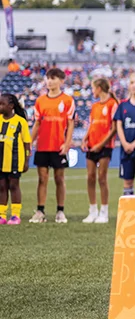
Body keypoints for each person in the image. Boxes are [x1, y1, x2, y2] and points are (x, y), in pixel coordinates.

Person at [30, 68, 75, 223]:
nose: (49, 81)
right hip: (42, 145)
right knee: (42, 179)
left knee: (59, 178)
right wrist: (29, 142)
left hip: (58, 146)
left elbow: (70, 124)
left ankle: (60, 211)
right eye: (48, 78)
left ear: (61, 81)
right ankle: (40, 211)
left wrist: (67, 143)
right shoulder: (40, 101)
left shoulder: (68, 100)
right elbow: (37, 123)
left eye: (53, 78)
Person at [82, 78, 118, 223]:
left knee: (102, 177)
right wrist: (85, 139)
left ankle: (104, 211)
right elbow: (91, 124)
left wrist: (101, 144)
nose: (92, 91)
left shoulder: (113, 104)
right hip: (91, 144)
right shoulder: (95, 105)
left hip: (105, 146)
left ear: (99, 88)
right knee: (90, 177)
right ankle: (92, 210)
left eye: (93, 88)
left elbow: (113, 128)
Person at [0, 93, 31, 225]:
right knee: (1, 186)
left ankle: (15, 215)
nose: (0, 106)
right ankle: (1, 215)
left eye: (2, 104)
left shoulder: (20, 121)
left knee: (13, 185)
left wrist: (26, 160)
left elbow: (27, 143)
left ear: (11, 106)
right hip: (1, 161)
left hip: (14, 161)